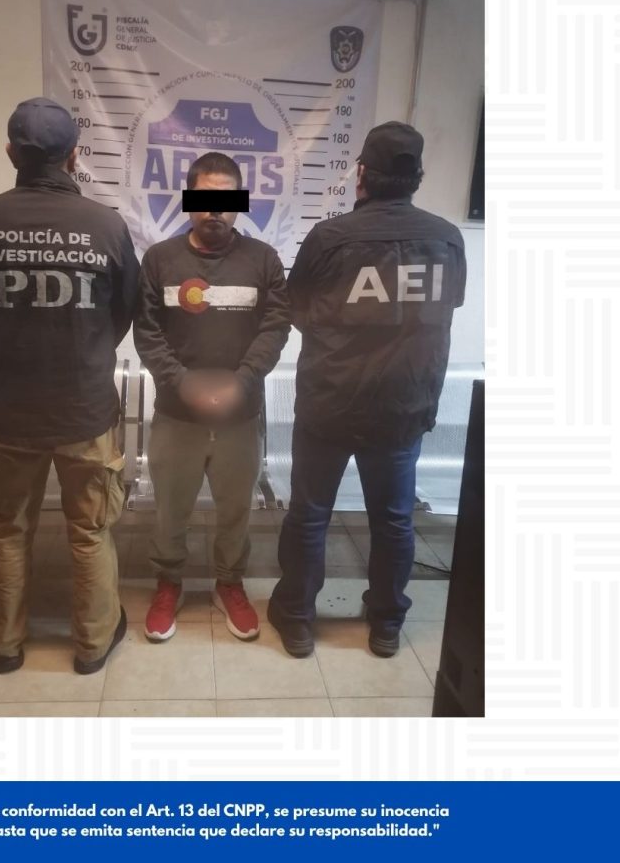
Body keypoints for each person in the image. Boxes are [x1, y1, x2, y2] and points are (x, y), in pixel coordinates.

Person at [0, 96, 140, 675]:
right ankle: (92, 645)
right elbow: (123, 312)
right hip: (84, 408)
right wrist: (84, 349)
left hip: (10, 410)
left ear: (11, 152)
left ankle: (5, 647)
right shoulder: (106, 225)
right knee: (90, 530)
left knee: (10, 529)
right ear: (74, 155)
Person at [268, 122, 467, 659]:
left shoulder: (330, 238)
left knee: (310, 514)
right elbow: (447, 307)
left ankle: (298, 621)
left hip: (331, 403)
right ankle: (385, 625)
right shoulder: (447, 238)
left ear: (361, 173)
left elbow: (297, 309)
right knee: (395, 519)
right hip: (403, 406)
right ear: (417, 176)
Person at [134, 152, 291, 643]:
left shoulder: (263, 260)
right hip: (176, 415)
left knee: (235, 510)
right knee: (170, 509)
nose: (215, 210)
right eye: (204, 199)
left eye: (226, 200)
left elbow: (275, 327)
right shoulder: (160, 260)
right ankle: (168, 583)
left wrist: (241, 381)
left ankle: (229, 584)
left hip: (239, 417)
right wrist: (183, 383)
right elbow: (147, 332)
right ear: (188, 200)